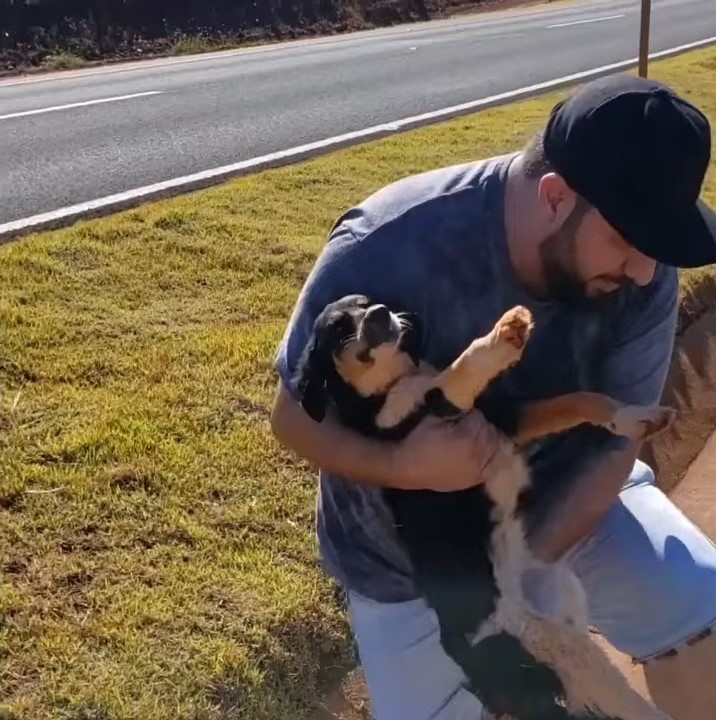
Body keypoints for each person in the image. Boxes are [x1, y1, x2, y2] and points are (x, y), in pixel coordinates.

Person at [270, 73, 716, 720]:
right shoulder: (388, 244)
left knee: (702, 617)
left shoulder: (643, 271)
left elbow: (612, 455)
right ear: (557, 197)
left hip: (562, 504)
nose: (645, 272)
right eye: (627, 240)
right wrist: (404, 467)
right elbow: (290, 420)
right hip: (411, 562)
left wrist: (522, 579)